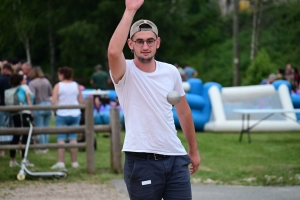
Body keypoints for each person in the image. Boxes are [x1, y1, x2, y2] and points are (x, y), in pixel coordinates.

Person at [107, 1, 201, 199]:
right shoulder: (125, 72)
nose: (145, 46)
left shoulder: (171, 71)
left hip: (176, 158)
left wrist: (193, 150)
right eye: (139, 41)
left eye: (150, 41)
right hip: (142, 160)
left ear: (158, 42)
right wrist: (130, 10)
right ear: (130, 44)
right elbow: (114, 52)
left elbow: (184, 112)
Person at [51, 67, 84, 169]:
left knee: (61, 139)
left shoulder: (58, 86)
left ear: (62, 75)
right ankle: (74, 162)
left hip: (62, 114)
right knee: (73, 138)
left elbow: (53, 101)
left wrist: (55, 111)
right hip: (75, 114)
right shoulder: (76, 85)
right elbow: (81, 100)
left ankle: (60, 162)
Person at [9, 70, 34, 167]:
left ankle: (12, 160)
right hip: (24, 113)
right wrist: (31, 114)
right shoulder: (25, 87)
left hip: (15, 114)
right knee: (25, 136)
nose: (26, 79)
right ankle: (24, 159)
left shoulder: (14, 88)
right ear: (20, 80)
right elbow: (29, 101)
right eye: (24, 78)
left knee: (16, 136)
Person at [29, 67, 53, 154]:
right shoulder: (46, 81)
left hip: (38, 105)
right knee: (46, 128)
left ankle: (42, 148)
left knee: (40, 128)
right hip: (48, 105)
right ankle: (46, 145)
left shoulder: (32, 83)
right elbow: (51, 93)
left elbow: (32, 96)